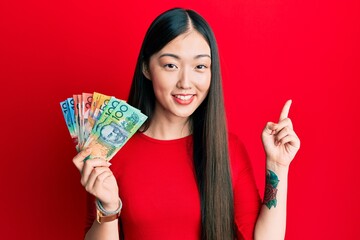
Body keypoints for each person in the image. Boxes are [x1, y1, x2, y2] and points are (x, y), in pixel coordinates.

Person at [72, 8, 300, 240]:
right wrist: (108, 207)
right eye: (171, 65)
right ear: (146, 68)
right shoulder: (111, 149)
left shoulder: (228, 149)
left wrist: (278, 165)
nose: (185, 82)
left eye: (200, 67)